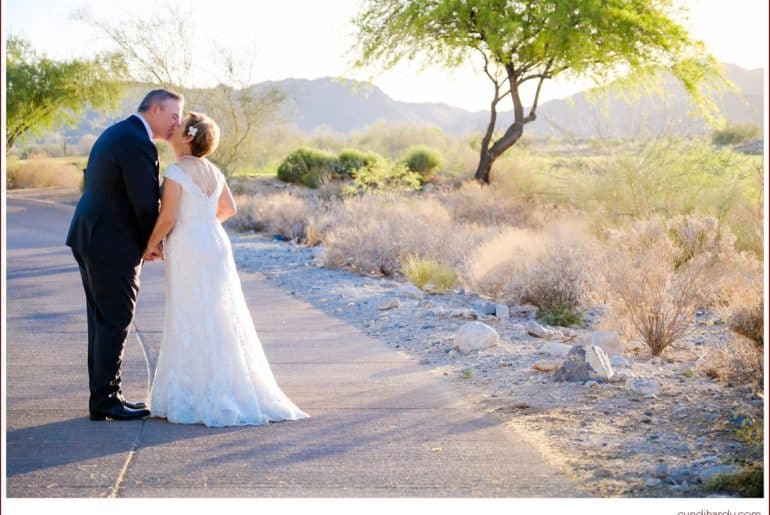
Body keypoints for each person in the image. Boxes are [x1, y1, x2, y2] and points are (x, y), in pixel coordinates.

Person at [145, 112, 309, 427]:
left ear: (189, 137)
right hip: (214, 243)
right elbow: (228, 209)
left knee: (189, 311)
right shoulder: (214, 171)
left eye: (180, 127)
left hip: (188, 245)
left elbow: (167, 219)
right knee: (220, 312)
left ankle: (193, 392)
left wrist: (151, 244)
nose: (175, 129)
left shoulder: (177, 172)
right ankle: (227, 387)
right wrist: (204, 225)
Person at [66, 89, 184, 421]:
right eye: (174, 115)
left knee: (103, 320)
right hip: (111, 242)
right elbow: (144, 202)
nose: (177, 123)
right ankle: (106, 399)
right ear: (156, 109)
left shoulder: (119, 132)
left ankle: (104, 396)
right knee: (115, 319)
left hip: (91, 235)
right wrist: (153, 243)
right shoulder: (137, 142)